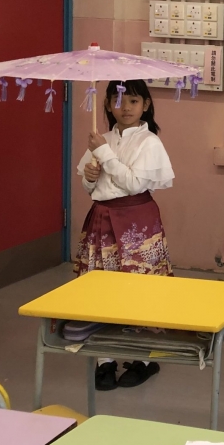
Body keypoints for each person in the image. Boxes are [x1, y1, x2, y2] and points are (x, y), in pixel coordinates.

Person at [76, 79, 174, 390]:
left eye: (133, 101)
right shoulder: (102, 139)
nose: (125, 108)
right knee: (100, 287)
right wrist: (90, 176)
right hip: (102, 218)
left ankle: (141, 358)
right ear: (107, 104)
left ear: (145, 105)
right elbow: (90, 187)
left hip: (137, 222)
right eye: (118, 101)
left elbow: (133, 184)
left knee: (139, 288)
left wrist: (104, 154)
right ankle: (103, 358)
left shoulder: (149, 142)